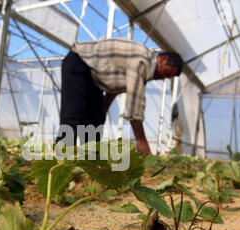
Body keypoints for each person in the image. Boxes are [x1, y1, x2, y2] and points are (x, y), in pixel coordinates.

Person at [55, 38, 183, 157]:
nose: (162, 77)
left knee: (96, 119)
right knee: (75, 115)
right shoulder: (143, 60)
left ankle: (90, 162)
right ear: (163, 59)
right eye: (165, 73)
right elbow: (134, 105)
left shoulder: (144, 69)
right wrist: (141, 140)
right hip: (80, 62)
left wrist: (102, 111)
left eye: (166, 77)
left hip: (94, 77)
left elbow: (114, 88)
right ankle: (62, 161)